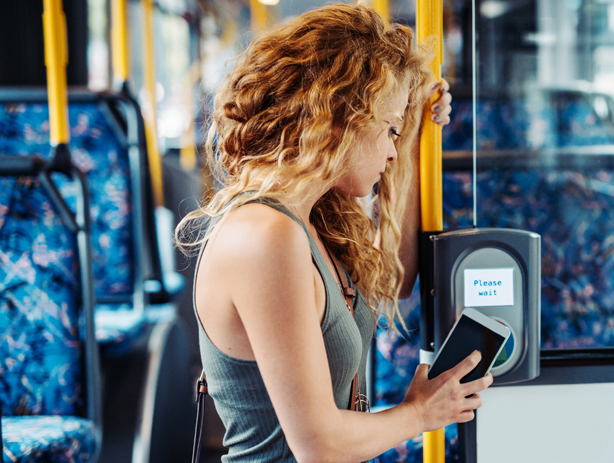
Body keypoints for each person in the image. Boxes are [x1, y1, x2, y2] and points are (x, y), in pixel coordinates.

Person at [176, 4, 492, 462]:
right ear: (340, 123)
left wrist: (414, 137)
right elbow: (318, 447)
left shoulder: (310, 219)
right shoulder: (265, 236)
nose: (389, 150)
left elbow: (394, 280)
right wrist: (421, 413)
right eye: (387, 130)